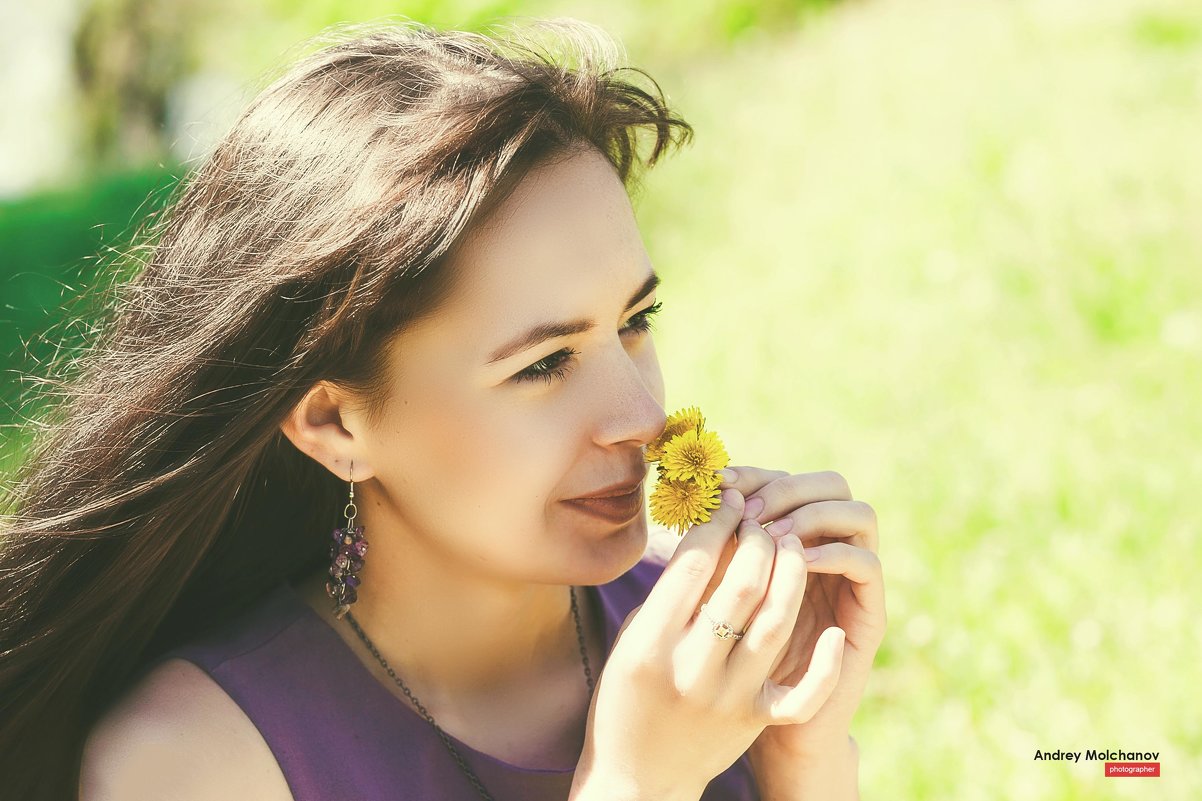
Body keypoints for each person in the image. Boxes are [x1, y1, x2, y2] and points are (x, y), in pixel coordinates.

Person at [0, 18, 885, 801]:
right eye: (543, 365)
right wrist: (638, 783)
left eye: (635, 321)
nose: (642, 418)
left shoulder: (710, 652)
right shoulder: (194, 765)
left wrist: (800, 754)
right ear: (335, 424)